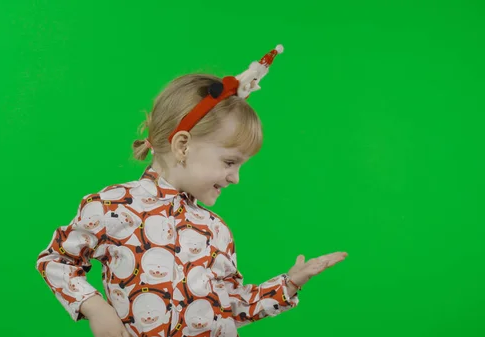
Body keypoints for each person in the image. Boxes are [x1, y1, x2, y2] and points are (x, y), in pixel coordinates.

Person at [35, 44, 348, 337]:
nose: (235, 178)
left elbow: (232, 305)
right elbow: (56, 261)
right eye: (230, 162)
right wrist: (94, 307)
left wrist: (289, 284)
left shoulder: (216, 231)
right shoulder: (111, 207)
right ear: (182, 145)